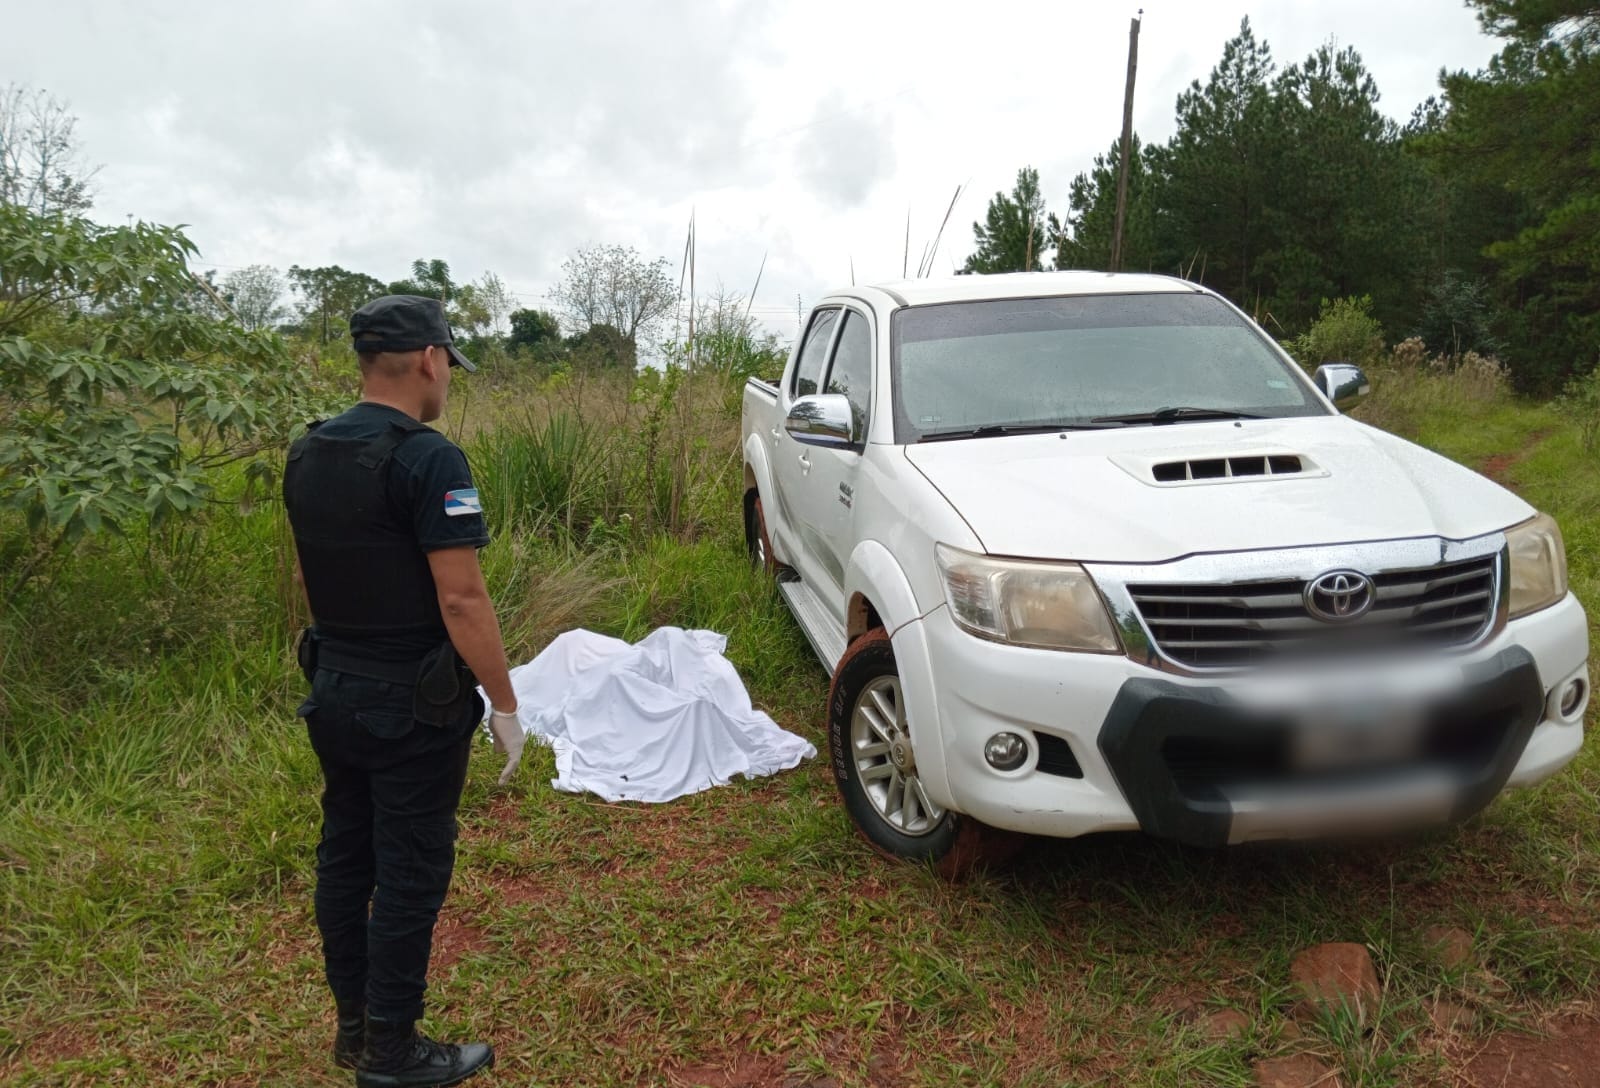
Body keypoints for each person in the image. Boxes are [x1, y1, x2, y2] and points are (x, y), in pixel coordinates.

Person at [283, 294, 525, 1088]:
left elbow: (313, 570)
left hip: (334, 687)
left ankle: (353, 1029)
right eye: (449, 363)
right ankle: (391, 1052)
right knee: (412, 871)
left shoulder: (309, 451)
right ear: (429, 359)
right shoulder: (429, 459)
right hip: (412, 707)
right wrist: (505, 702)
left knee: (345, 858)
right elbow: (462, 599)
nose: (448, 378)